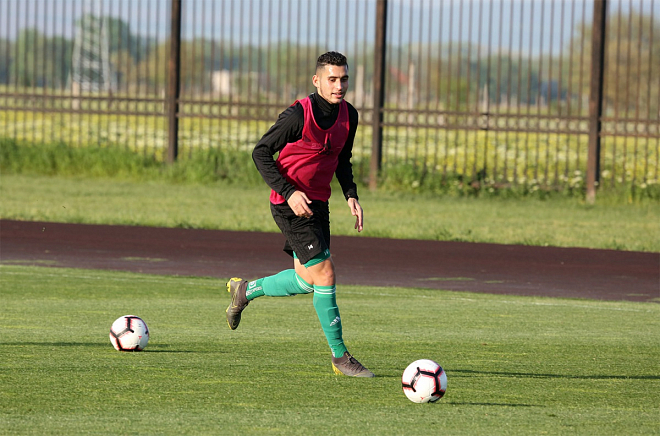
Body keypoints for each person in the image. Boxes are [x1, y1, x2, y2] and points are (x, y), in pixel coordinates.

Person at [225, 51, 374, 378]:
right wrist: (290, 192)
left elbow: (343, 159)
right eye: (332, 79)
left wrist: (351, 195)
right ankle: (340, 357)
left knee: (307, 280)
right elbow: (260, 152)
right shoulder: (297, 115)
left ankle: (245, 291)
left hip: (318, 203)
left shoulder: (349, 115)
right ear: (317, 80)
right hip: (289, 203)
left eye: (344, 79)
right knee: (326, 274)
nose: (339, 86)